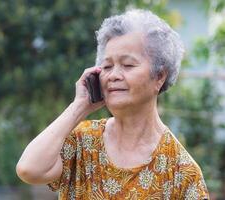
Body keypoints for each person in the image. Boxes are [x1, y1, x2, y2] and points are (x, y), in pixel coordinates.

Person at [16, 9, 210, 199]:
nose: (114, 75)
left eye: (127, 65)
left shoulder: (182, 172)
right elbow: (29, 169)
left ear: (159, 76)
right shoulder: (83, 141)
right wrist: (79, 107)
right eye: (107, 66)